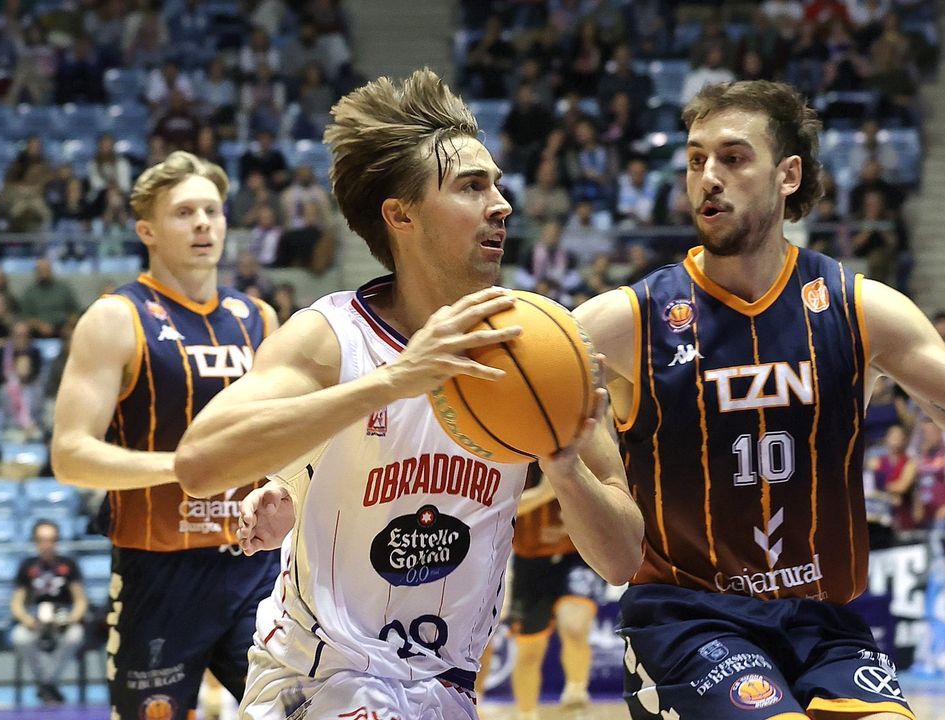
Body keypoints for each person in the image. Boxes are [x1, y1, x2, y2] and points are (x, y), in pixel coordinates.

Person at [565, 79, 945, 720]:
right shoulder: (627, 320)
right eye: (696, 160)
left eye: (732, 157)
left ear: (788, 175)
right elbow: (501, 390)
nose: (709, 177)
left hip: (823, 622)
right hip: (688, 619)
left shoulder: (858, 310)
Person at [171, 69, 643, 720]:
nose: (502, 204)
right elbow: (198, 463)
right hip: (321, 680)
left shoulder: (542, 350)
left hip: (445, 689)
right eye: (473, 187)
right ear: (402, 214)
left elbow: (621, 557)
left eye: (498, 185)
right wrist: (395, 380)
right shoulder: (330, 338)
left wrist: (565, 466)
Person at [50, 151, 280, 720]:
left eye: (213, 210)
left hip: (254, 565)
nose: (204, 222)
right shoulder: (115, 317)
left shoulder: (261, 318)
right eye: (184, 212)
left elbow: (285, 438)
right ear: (147, 230)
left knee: (303, 710)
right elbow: (70, 455)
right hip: (158, 570)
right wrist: (187, 468)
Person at [508, 465, 606, 720]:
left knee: (573, 625)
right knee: (530, 651)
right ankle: (526, 714)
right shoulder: (512, 454)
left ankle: (576, 693)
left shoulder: (575, 448)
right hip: (529, 560)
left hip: (577, 555)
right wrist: (543, 494)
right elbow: (499, 508)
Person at [10, 520, 89, 705]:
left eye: (51, 540)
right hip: (35, 621)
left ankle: (46, 685)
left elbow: (80, 601)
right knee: (20, 637)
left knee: (75, 636)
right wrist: (27, 620)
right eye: (42, 540)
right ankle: (49, 685)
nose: (46, 544)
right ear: (35, 541)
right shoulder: (27, 566)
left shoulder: (69, 565)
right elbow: (16, 603)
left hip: (63, 619)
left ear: (57, 541)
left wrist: (70, 620)